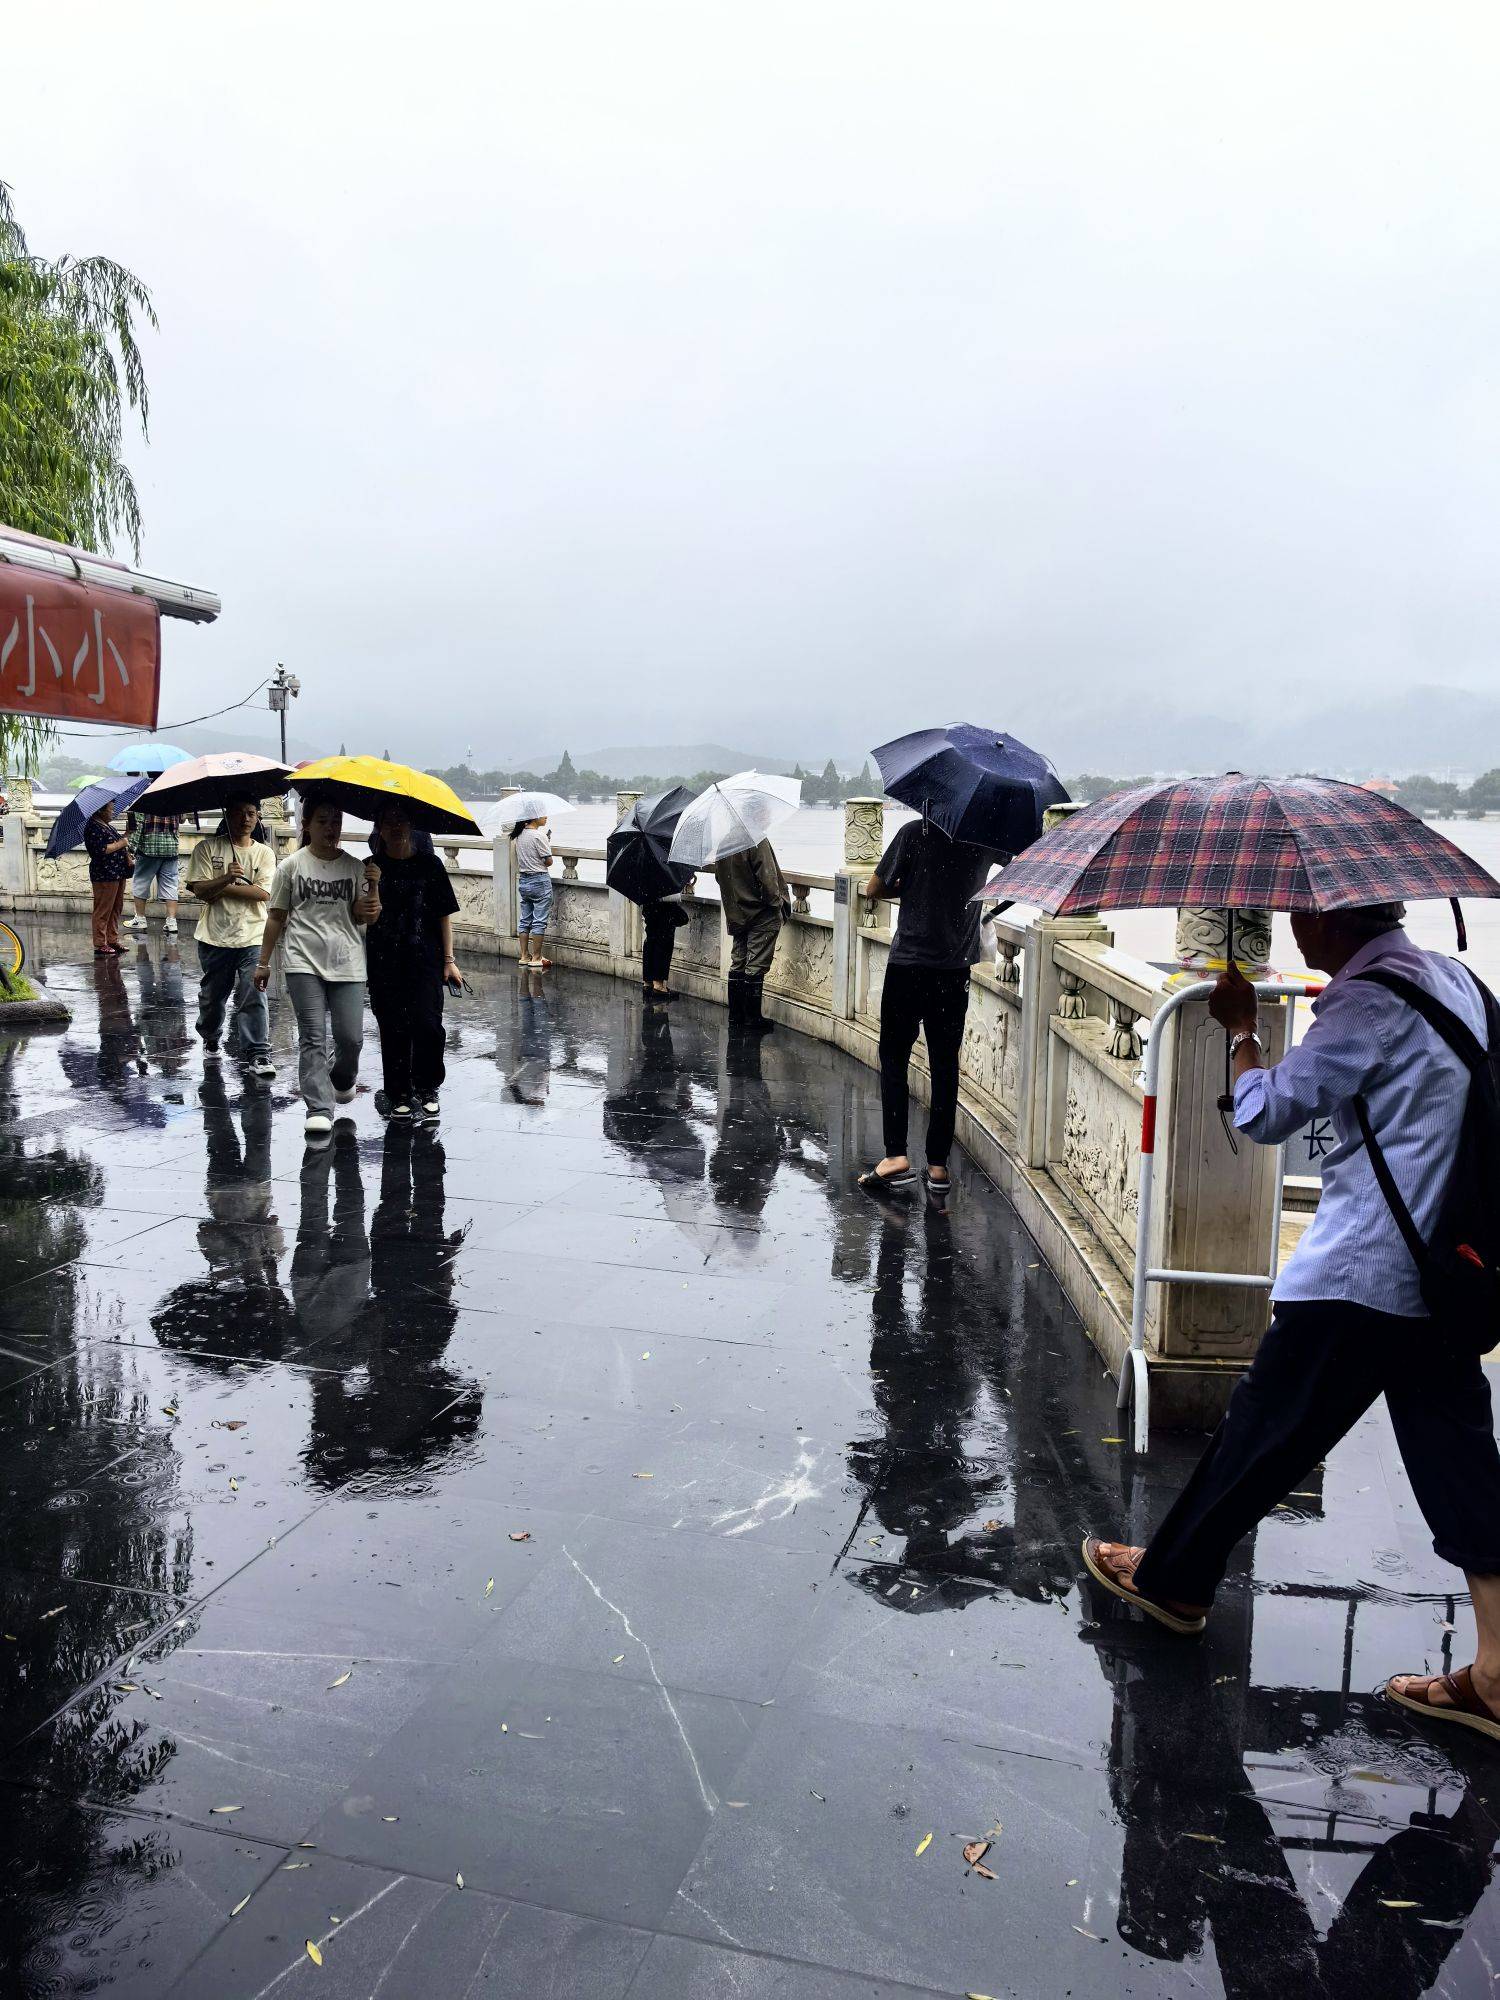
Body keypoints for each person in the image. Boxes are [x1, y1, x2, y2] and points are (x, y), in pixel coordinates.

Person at [1083, 902, 1500, 1743]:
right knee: (1462, 1466)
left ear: (1331, 923)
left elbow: (1266, 1113)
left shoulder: (1367, 1001)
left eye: (1302, 914)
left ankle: (1174, 1584)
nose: (1296, 927)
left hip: (1364, 1271)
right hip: (1444, 1271)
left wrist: (1242, 1033)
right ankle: (1496, 1675)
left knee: (1262, 1431)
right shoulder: (1454, 978)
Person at [858, 817, 1000, 1199]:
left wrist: (912, 887)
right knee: (944, 1065)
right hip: (953, 972)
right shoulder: (982, 840)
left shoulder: (913, 832)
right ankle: (937, 1165)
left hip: (908, 966)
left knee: (893, 1057)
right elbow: (1018, 870)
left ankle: (895, 1156)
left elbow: (873, 888)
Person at [254, 797, 379, 1142]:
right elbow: (277, 915)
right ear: (307, 824)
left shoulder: (355, 867)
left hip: (348, 961)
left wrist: (374, 886)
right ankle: (319, 1109)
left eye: (336, 821)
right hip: (302, 960)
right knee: (312, 1036)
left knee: (350, 1038)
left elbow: (365, 916)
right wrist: (263, 963)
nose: (331, 828)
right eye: (323, 821)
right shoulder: (291, 867)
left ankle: (342, 1080)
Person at [365, 802, 461, 1120]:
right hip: (383, 962)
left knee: (428, 1025)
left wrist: (449, 960)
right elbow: (361, 917)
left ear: (411, 826)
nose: (395, 826)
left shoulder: (431, 865)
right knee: (392, 1027)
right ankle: (399, 1093)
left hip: (426, 961)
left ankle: (427, 1086)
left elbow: (444, 915)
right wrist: (373, 883)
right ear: (379, 827)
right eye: (388, 819)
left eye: (401, 820)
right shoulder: (369, 867)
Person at [186, 792, 277, 1076]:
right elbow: (198, 890)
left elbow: (262, 893)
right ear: (227, 815)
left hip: (252, 935)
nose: (245, 819)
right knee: (214, 997)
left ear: (258, 817)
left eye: (251, 813)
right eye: (239, 812)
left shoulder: (264, 853)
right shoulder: (206, 848)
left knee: (254, 993)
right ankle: (210, 1035)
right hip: (215, 936)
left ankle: (258, 1052)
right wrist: (226, 877)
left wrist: (219, 888)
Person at [713, 837, 786, 1034]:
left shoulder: (725, 842)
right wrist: (777, 904)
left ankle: (736, 1015)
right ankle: (753, 1018)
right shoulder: (756, 840)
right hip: (760, 912)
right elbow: (768, 879)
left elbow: (720, 877)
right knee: (755, 964)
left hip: (737, 912)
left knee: (738, 961)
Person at [126, 804, 182, 934]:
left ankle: (140, 919)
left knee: (141, 881)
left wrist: (130, 850)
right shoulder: (173, 799)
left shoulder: (145, 800)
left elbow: (138, 827)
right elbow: (182, 819)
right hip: (171, 849)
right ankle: (171, 922)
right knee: (171, 885)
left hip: (148, 848)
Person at [84, 800, 131, 956]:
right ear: (100, 811)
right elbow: (101, 850)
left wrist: (127, 834)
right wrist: (122, 843)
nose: (112, 813)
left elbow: (118, 842)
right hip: (104, 873)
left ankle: (112, 938)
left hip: (117, 871)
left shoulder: (106, 825)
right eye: (110, 810)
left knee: (116, 907)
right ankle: (100, 943)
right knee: (103, 909)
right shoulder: (93, 827)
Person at [513, 815, 554, 967]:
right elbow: (548, 862)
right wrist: (546, 845)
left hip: (524, 881)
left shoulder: (519, 835)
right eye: (543, 814)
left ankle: (524, 956)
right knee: (539, 920)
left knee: (525, 919)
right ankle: (536, 958)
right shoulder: (539, 835)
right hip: (539, 881)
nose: (546, 817)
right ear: (534, 817)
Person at [641, 890, 687, 1001]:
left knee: (651, 938)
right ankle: (658, 985)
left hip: (649, 900)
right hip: (664, 902)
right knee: (663, 941)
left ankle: (648, 983)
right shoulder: (665, 876)